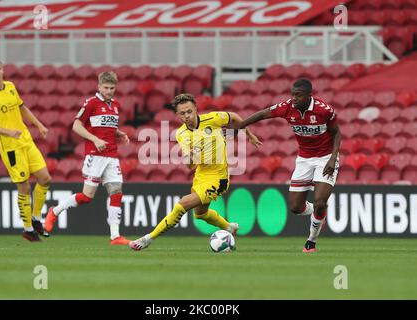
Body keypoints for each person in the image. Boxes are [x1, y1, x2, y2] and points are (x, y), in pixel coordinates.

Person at [129, 93, 262, 251]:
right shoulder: (182, 134)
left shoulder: (212, 119)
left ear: (196, 109)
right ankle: (229, 227)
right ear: (177, 115)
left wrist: (249, 135)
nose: (187, 116)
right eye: (183, 113)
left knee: (182, 205)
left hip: (218, 178)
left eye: (189, 111)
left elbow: (233, 117)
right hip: (201, 176)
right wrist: (190, 157)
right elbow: (189, 167)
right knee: (200, 214)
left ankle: (148, 238)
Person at [239, 78, 341, 253]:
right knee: (295, 208)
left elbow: (337, 132)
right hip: (304, 159)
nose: (294, 98)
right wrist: (240, 126)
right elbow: (263, 114)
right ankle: (319, 213)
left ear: (309, 95)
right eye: (292, 94)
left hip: (325, 157)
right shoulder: (287, 107)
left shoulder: (324, 110)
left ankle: (311, 242)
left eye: (298, 95)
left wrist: (333, 158)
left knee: (320, 201)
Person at [44, 71, 131, 245]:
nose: (109, 91)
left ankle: (115, 236)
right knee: (87, 196)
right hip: (95, 156)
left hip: (112, 156)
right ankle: (55, 211)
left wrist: (119, 133)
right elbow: (76, 125)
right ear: (99, 87)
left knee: (116, 192)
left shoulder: (115, 105)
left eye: (112, 88)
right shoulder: (91, 103)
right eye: (106, 88)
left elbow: (108, 126)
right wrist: (95, 139)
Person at [0, 58, 51, 242]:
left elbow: (23, 108)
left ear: (3, 71)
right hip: (10, 146)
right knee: (24, 186)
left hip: (26, 140)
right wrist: (8, 132)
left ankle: (35, 218)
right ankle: (28, 230)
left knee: (45, 178)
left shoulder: (10, 86)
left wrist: (39, 125)